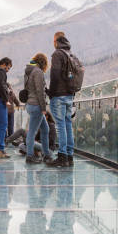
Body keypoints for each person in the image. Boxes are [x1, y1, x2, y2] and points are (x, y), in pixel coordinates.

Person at [48, 31, 76, 167]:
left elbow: (54, 75)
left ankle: (62, 156)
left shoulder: (57, 54)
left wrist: (51, 92)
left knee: (60, 125)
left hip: (59, 95)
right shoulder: (71, 54)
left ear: (56, 41)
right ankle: (70, 156)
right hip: (70, 95)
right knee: (68, 124)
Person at [24, 53, 53, 164]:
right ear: (43, 63)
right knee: (32, 132)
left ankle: (46, 154)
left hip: (30, 104)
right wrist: (43, 107)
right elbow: (40, 91)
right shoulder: (38, 72)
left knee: (45, 129)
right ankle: (30, 156)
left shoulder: (29, 71)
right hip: (36, 106)